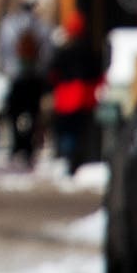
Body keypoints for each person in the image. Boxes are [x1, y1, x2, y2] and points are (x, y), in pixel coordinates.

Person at [46, 12, 104, 174]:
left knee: (67, 132)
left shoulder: (63, 52)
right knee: (82, 131)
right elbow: (98, 74)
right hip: (85, 97)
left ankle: (69, 161)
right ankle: (80, 159)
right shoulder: (90, 51)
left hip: (66, 98)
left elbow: (52, 74)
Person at [0, 0, 47, 167]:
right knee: (32, 114)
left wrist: (6, 69)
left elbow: (2, 50)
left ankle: (17, 145)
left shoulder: (9, 25)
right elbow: (48, 52)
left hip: (16, 78)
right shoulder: (41, 26)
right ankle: (29, 147)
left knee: (13, 114)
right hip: (34, 79)